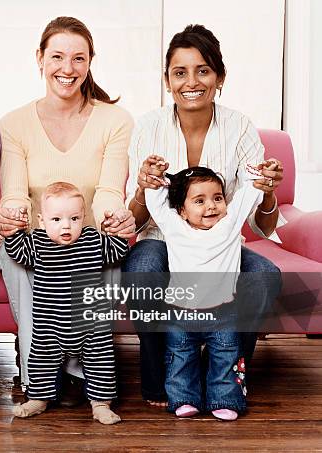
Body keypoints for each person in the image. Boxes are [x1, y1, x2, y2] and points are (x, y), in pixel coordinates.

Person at [123, 24, 284, 406]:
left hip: (219, 248)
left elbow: (263, 224)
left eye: (203, 70)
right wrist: (145, 186)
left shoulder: (239, 127)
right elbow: (137, 219)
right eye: (180, 72)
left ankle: (223, 371)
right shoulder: (148, 126)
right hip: (164, 241)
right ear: (167, 80)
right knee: (142, 267)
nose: (191, 82)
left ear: (220, 77)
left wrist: (268, 191)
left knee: (265, 276)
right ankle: (158, 378)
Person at [0, 16, 136, 399]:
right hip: (41, 236)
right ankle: (36, 366)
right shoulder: (13, 123)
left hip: (89, 233)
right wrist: (12, 216)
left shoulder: (116, 120)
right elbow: (14, 193)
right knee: (11, 256)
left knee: (108, 248)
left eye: (79, 58)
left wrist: (114, 216)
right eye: (57, 56)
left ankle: (83, 366)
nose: (67, 68)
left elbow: (108, 190)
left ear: (90, 62)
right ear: (39, 58)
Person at [145, 165, 277, 420]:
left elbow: (246, 196)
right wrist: (158, 180)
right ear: (182, 210)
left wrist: (256, 176)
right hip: (180, 315)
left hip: (223, 315)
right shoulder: (175, 228)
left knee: (226, 358)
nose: (212, 206)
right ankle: (183, 399)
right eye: (199, 200)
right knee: (180, 359)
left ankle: (225, 400)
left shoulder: (228, 227)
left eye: (218, 198)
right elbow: (157, 204)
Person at [4, 182, 129, 424]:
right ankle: (38, 399)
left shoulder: (92, 239)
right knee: (41, 358)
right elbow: (18, 253)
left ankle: (101, 404)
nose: (66, 226)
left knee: (101, 360)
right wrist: (14, 232)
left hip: (91, 324)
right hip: (50, 323)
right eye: (57, 219)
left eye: (74, 218)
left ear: (84, 218)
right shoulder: (38, 242)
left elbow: (116, 252)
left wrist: (116, 228)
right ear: (42, 221)